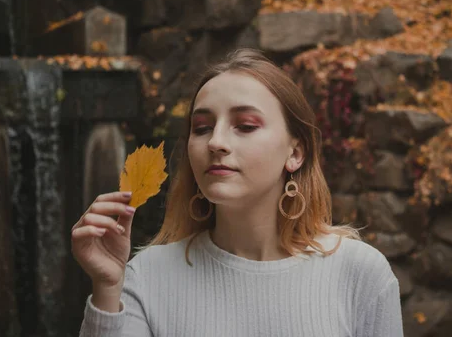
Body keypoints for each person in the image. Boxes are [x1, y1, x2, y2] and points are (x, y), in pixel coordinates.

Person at [72, 49, 404, 337]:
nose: (215, 142)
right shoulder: (146, 276)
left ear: (296, 153)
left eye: (245, 126)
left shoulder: (359, 274)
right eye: (201, 128)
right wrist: (107, 288)